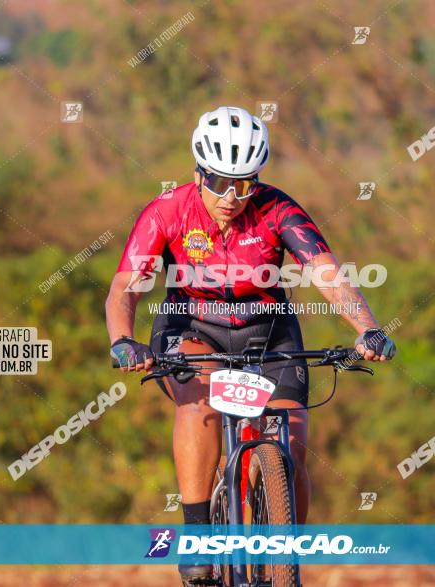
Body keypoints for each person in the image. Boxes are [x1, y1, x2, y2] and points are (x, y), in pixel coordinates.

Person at [105, 105, 395, 584]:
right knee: (201, 400)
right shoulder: (167, 211)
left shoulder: (278, 209)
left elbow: (329, 277)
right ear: (199, 174)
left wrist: (367, 328)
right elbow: (124, 290)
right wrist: (123, 341)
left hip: (269, 330)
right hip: (190, 327)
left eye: (244, 185)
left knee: (292, 445)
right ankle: (198, 535)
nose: (231, 197)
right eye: (219, 182)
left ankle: (287, 563)